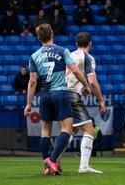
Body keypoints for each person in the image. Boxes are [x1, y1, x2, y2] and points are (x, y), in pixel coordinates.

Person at [24, 24, 91, 176]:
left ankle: (46, 166)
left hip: (44, 95)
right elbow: (75, 70)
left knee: (45, 130)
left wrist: (28, 103)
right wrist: (86, 85)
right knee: (67, 129)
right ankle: (52, 161)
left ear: (39, 38)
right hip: (60, 92)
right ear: (52, 34)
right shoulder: (62, 51)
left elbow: (32, 81)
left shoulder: (34, 56)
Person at [66, 32, 107, 173]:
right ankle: (83, 166)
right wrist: (101, 100)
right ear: (90, 44)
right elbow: (93, 82)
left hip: (60, 93)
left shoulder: (69, 55)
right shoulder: (88, 57)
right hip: (72, 95)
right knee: (89, 130)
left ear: (76, 44)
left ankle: (52, 161)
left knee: (71, 130)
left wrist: (82, 87)